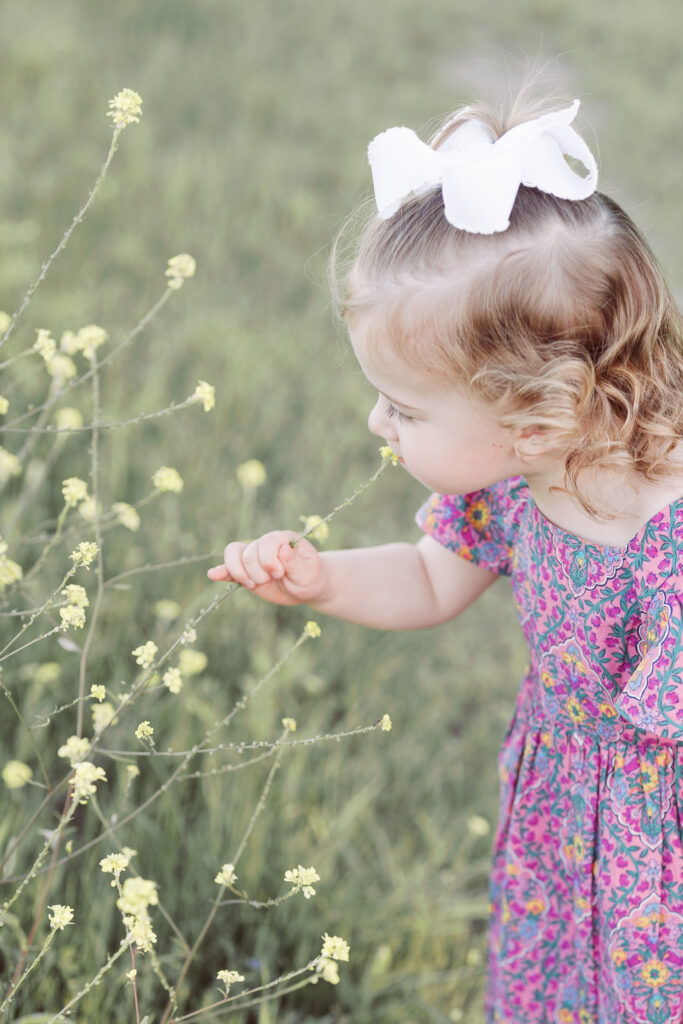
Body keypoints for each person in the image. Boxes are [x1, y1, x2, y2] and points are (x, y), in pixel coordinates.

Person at [208, 88, 683, 1022]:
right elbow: (430, 579)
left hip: (660, 845)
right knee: (556, 983)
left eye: (407, 409)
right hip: (560, 814)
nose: (376, 422)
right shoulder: (515, 484)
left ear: (536, 416)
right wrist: (323, 578)